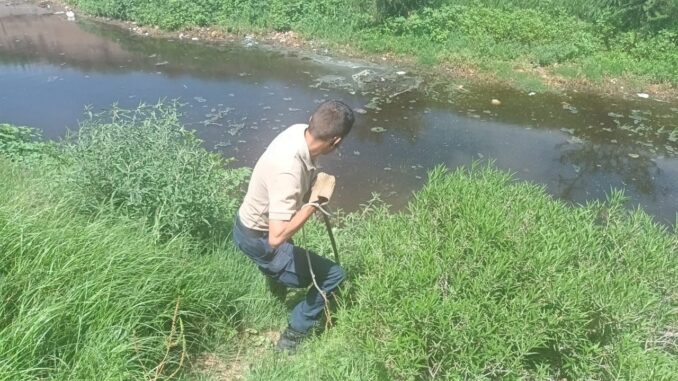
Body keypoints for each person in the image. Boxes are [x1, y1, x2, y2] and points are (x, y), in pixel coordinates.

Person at [232, 100, 355, 351]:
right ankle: (293, 335)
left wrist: (312, 185)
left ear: (313, 119)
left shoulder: (298, 131)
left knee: (290, 250)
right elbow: (276, 238)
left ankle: (276, 286)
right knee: (334, 276)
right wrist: (314, 203)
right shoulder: (288, 171)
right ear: (337, 142)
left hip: (248, 224)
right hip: (260, 239)